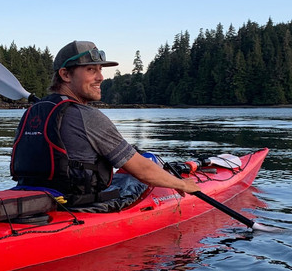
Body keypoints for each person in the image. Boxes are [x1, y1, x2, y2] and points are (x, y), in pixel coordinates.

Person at [10, 40, 201, 207]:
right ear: (66, 75)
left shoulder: (34, 111)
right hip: (76, 204)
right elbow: (142, 170)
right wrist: (182, 184)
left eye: (100, 69)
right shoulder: (87, 116)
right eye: (91, 69)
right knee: (148, 160)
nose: (100, 77)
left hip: (37, 196)